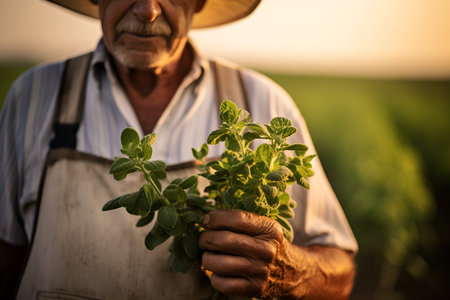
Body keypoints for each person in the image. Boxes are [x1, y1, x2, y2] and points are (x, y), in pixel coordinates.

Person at [0, 0, 358, 299]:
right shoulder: (34, 97)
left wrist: (290, 271)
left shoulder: (264, 103)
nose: (147, 11)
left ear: (199, 1)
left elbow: (340, 271)